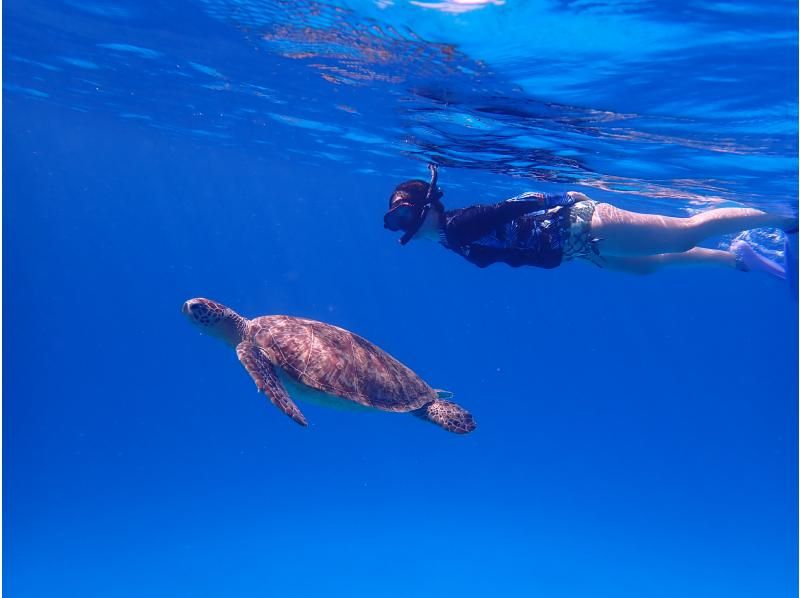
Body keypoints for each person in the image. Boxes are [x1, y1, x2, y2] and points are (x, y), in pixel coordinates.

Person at [383, 164, 797, 277]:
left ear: (427, 206)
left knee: (682, 236)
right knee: (646, 268)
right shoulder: (449, 239)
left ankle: (785, 216)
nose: (402, 226)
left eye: (402, 215)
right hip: (574, 249)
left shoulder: (458, 225)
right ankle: (734, 258)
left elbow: (514, 205)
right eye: (395, 221)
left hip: (583, 224)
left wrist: (562, 196)